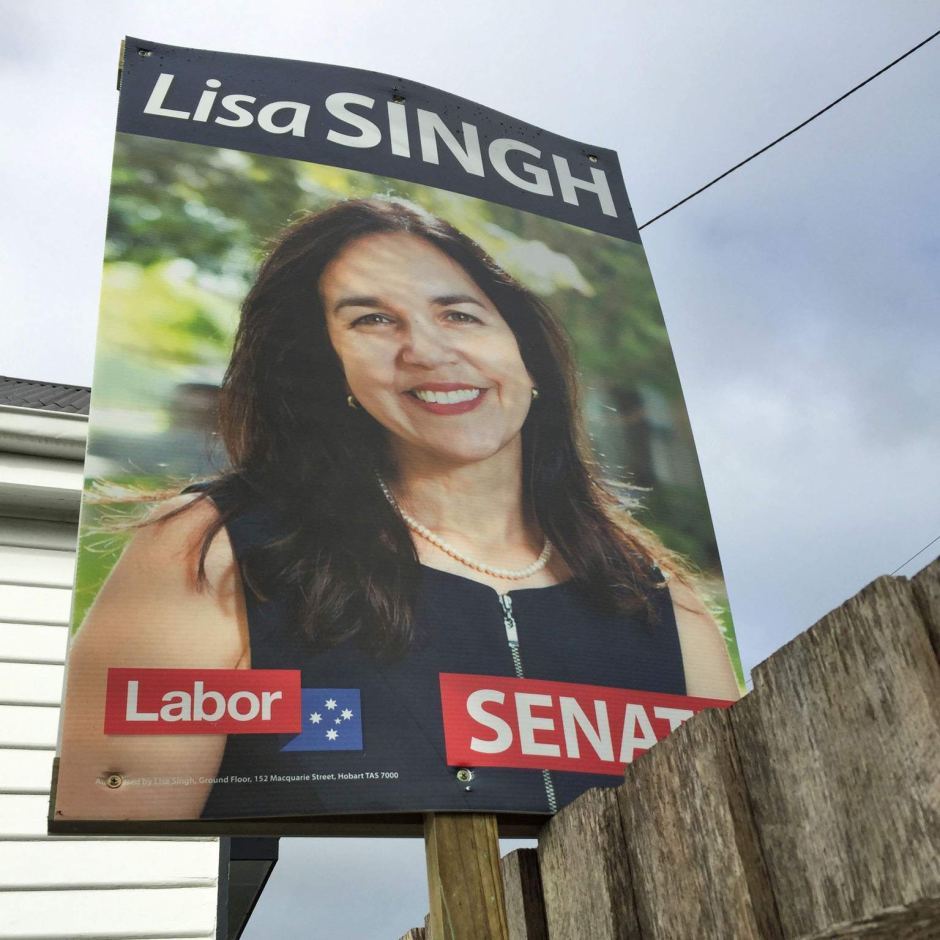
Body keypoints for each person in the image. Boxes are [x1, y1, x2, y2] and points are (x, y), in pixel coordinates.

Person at [55, 198, 739, 823]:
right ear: (329, 365)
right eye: (373, 320)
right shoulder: (214, 550)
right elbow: (115, 849)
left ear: (528, 354)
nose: (428, 351)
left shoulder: (656, 595)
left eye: (459, 313)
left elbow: (737, 826)